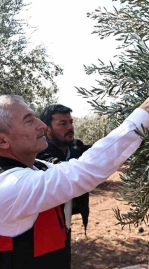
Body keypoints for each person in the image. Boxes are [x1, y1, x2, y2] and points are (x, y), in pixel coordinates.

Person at [0, 86, 149, 269]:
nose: (41, 126)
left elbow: (81, 166)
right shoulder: (9, 186)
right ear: (2, 140)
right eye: (28, 121)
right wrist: (145, 112)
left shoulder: (37, 167)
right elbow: (85, 171)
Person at [37, 104, 91, 264]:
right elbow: (61, 171)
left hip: (64, 222)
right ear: (47, 130)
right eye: (63, 124)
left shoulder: (76, 147)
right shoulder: (41, 151)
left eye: (71, 122)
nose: (70, 128)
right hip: (45, 224)